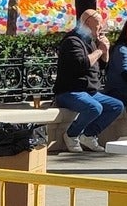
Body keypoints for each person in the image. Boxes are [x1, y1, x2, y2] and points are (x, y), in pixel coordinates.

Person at [51, 8, 120, 153]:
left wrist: (105, 50)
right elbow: (81, 64)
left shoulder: (90, 41)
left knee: (116, 106)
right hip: (70, 91)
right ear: (87, 23)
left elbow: (101, 66)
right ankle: (71, 135)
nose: (101, 27)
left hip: (89, 91)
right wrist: (100, 50)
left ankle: (89, 135)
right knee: (94, 108)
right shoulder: (72, 41)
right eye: (98, 24)